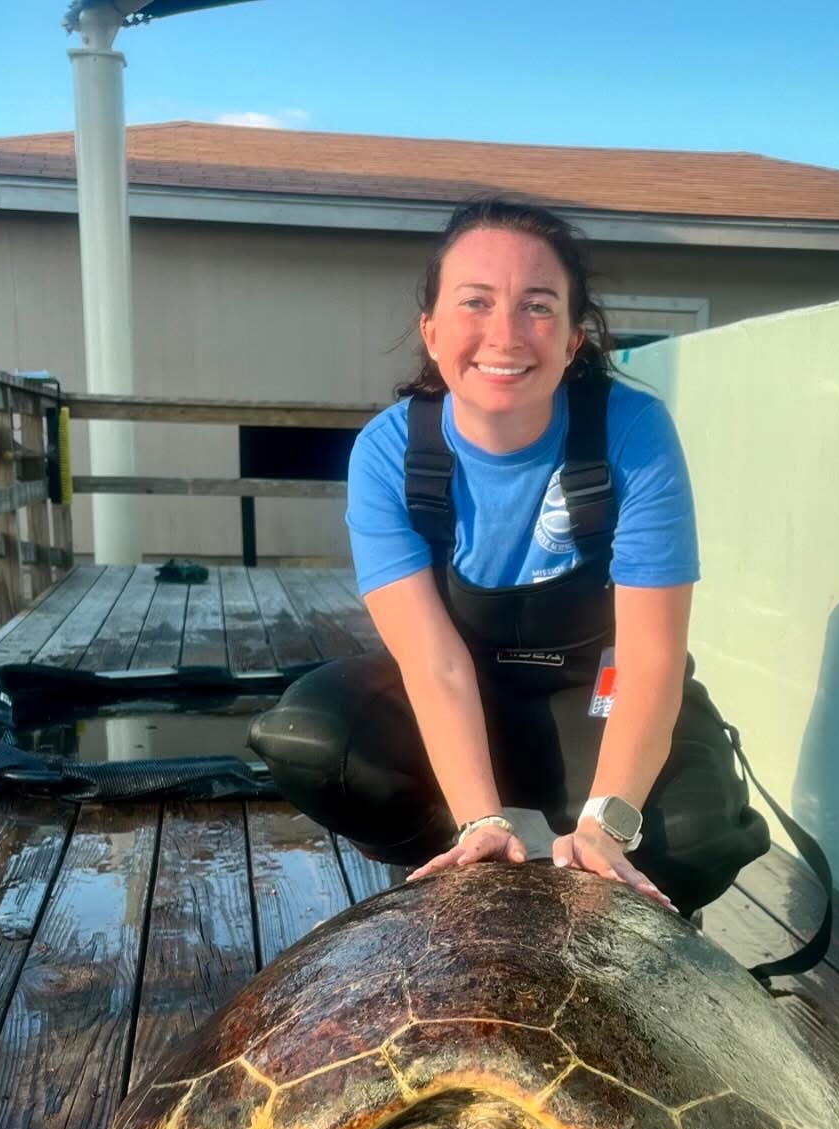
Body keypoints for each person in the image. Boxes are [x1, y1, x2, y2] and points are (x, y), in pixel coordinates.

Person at [248, 195, 770, 916]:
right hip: (466, 690)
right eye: (476, 302)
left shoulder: (635, 433)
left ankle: (571, 839)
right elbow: (433, 662)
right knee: (306, 741)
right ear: (430, 331)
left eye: (537, 305)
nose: (505, 334)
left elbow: (649, 655)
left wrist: (608, 823)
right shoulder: (389, 451)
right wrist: (479, 818)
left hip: (596, 692)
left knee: (694, 842)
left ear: (575, 338)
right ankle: (471, 857)